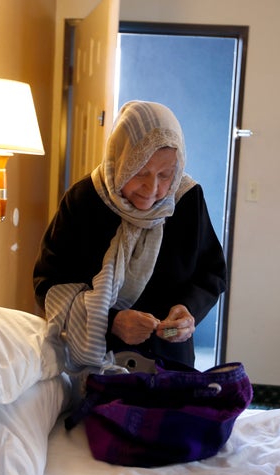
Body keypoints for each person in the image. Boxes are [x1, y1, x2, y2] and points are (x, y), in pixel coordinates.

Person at [33, 100, 226, 372]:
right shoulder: (83, 201)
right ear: (120, 159)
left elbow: (211, 272)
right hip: (97, 362)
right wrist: (110, 322)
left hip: (169, 361)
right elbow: (49, 284)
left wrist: (188, 309)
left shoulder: (186, 200)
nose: (153, 188)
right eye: (141, 172)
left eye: (165, 174)